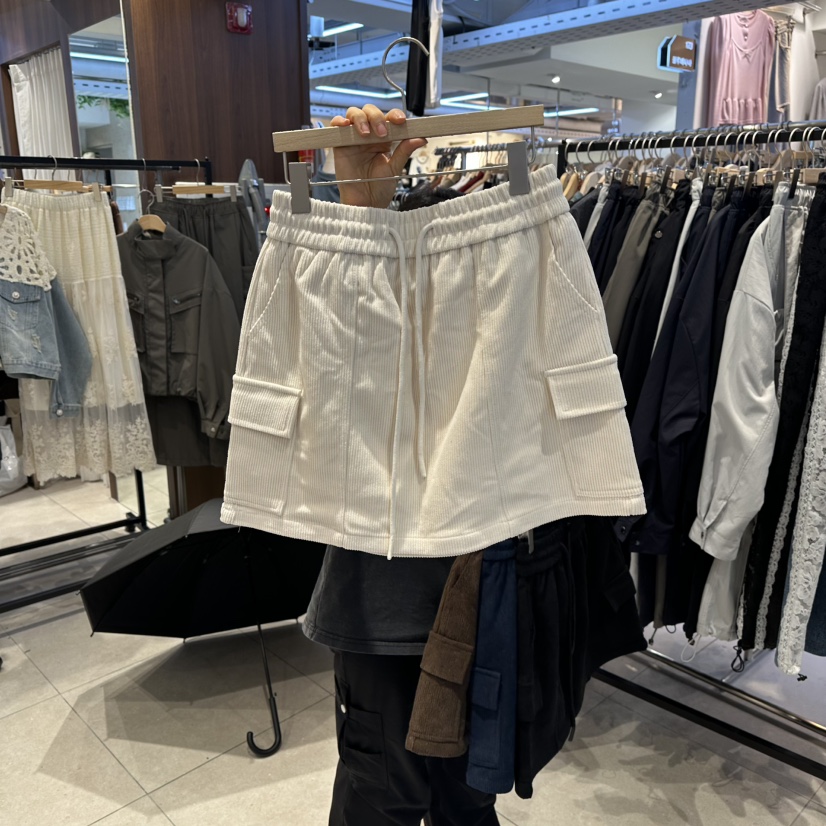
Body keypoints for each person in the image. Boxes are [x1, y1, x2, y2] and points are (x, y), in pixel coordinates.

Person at [301, 105, 501, 826]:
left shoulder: (513, 266)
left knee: (467, 798)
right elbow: (325, 374)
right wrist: (363, 208)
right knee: (383, 794)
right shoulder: (359, 298)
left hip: (482, 593)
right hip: (382, 597)